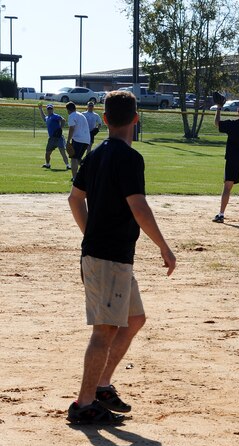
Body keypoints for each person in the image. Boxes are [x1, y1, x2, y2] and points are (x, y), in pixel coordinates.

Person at [66, 90, 177, 425]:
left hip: (109, 256)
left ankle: (101, 386)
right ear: (136, 119)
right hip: (108, 258)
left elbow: (74, 200)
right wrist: (164, 246)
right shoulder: (129, 157)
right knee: (105, 330)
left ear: (103, 119)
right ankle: (83, 404)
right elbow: (138, 206)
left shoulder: (96, 155)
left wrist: (90, 234)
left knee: (134, 319)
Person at [38, 103, 70, 170]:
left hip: (58, 137)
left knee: (62, 152)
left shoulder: (55, 116)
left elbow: (63, 120)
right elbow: (44, 117)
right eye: (48, 109)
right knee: (47, 152)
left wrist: (60, 128)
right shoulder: (48, 118)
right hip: (51, 138)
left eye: (51, 108)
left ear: (53, 109)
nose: (50, 110)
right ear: (47, 109)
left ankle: (68, 165)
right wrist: (40, 109)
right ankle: (47, 164)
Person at [65, 101, 91, 181]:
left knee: (74, 158)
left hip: (78, 139)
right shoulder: (81, 115)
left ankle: (75, 178)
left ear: (68, 109)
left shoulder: (72, 115)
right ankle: (89, 173)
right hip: (86, 140)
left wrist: (68, 140)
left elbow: (71, 128)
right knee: (79, 159)